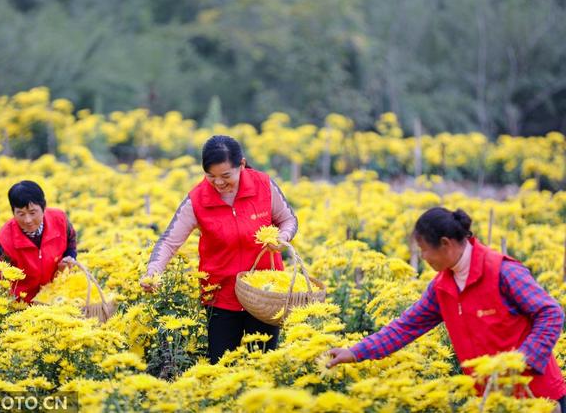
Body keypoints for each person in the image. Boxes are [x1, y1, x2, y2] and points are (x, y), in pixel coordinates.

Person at [327, 207, 566, 409]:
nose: (422, 256)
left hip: (537, 399)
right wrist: (356, 352)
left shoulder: (502, 271)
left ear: (445, 244)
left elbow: (550, 312)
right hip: (491, 401)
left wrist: (523, 362)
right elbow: (405, 327)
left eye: (424, 249)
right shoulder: (442, 287)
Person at [142, 135, 298, 364]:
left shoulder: (264, 185)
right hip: (221, 296)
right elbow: (168, 242)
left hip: (266, 294)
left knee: (265, 365)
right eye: (210, 176)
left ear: (242, 165)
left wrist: (281, 237)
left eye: (226, 175)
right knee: (223, 366)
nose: (218, 183)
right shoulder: (197, 199)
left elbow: (288, 219)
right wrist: (153, 271)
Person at [0, 180, 77, 302]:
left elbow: (71, 241)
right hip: (21, 305)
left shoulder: (60, 220)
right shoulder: (5, 239)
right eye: (21, 214)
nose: (28, 220)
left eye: (33, 212)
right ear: (13, 212)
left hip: (57, 297)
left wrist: (69, 257)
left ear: (43, 207)